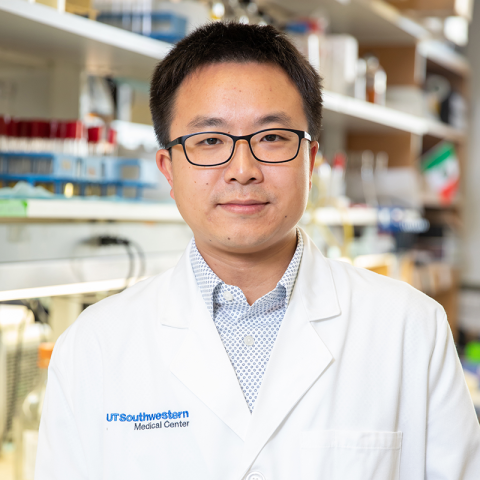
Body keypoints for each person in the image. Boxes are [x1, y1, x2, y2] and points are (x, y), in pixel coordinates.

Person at [36, 22, 480, 480]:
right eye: (209, 141)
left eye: (271, 138)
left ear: (310, 162)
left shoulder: (410, 329)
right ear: (168, 169)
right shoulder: (94, 346)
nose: (242, 170)